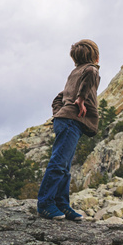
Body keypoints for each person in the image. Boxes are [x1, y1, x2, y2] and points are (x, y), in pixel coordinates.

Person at [37, 39, 101, 220]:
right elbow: (91, 71)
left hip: (67, 120)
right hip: (70, 121)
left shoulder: (74, 73)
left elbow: (59, 97)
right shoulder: (90, 70)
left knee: (64, 166)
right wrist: (80, 99)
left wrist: (59, 112)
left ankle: (61, 204)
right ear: (96, 56)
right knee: (59, 163)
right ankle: (45, 204)